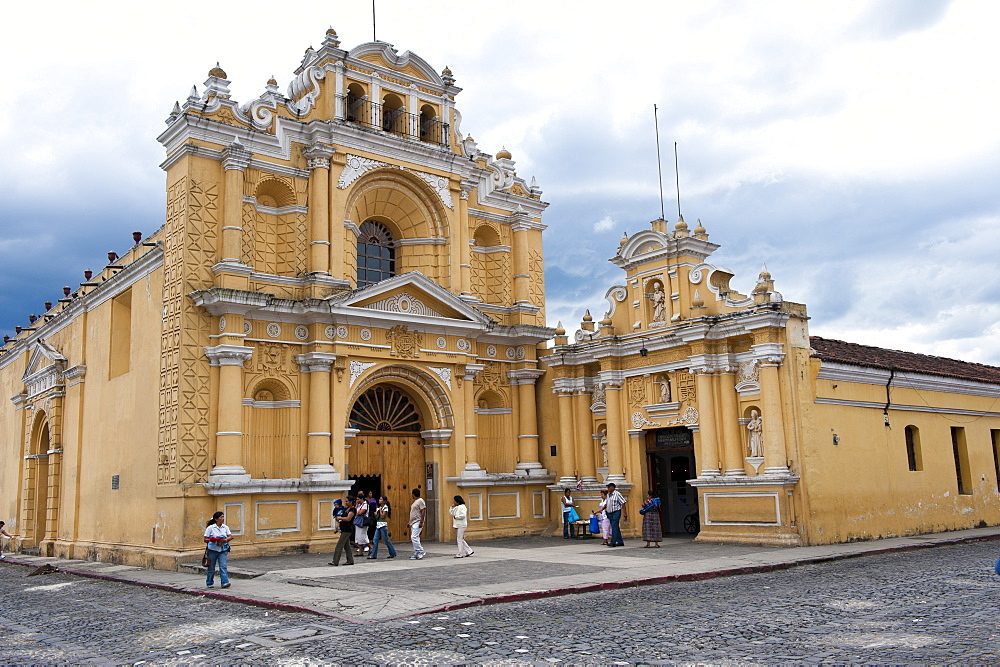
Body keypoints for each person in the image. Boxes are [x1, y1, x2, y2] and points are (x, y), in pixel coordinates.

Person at [203, 511, 233, 588]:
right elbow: (205, 539)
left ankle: (225, 582)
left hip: (223, 549)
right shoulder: (211, 528)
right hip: (213, 550)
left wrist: (225, 540)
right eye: (221, 517)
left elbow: (230, 536)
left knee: (223, 566)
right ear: (216, 519)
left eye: (223, 517)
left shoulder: (225, 527)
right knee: (211, 567)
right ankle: (209, 582)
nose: (223, 519)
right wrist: (212, 540)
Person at [368, 495, 397, 560]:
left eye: (381, 499)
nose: (379, 500)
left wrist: (380, 511)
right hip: (378, 524)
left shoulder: (385, 508)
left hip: (383, 525)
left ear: (384, 501)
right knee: (375, 540)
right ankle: (373, 555)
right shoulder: (379, 507)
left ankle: (392, 553)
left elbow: (382, 516)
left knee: (386, 540)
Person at [330, 497, 356, 566]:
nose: (346, 502)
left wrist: (340, 517)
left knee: (340, 545)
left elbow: (348, 519)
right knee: (346, 546)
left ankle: (335, 561)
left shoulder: (352, 509)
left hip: (347, 529)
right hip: (343, 528)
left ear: (351, 502)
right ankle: (350, 560)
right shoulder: (345, 509)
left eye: (347, 501)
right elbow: (341, 519)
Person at [605, 483, 627, 547]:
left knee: (614, 527)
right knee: (615, 527)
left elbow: (623, 503)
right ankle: (620, 541)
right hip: (609, 512)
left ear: (612, 488)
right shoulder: (608, 495)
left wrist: (625, 513)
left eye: (609, 487)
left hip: (616, 512)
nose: (608, 489)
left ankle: (613, 541)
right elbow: (607, 503)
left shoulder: (617, 494)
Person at [408, 488, 426, 560]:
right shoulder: (415, 502)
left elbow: (423, 511)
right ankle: (417, 552)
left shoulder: (420, 501)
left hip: (418, 521)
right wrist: (409, 522)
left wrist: (421, 521)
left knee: (414, 537)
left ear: (413, 494)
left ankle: (420, 551)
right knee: (416, 537)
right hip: (414, 522)